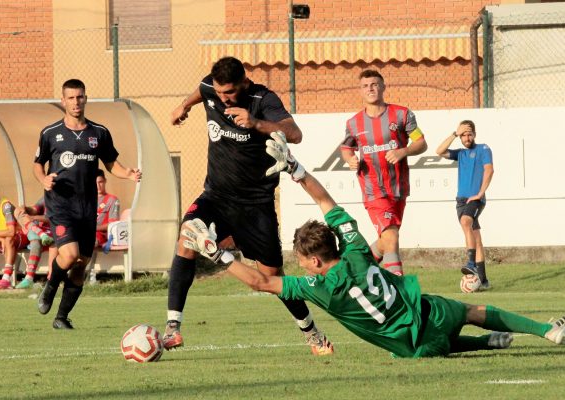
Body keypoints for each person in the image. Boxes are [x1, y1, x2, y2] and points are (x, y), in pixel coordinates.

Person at [181, 132, 565, 358]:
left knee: (435, 341)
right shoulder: (355, 249)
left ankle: (483, 344)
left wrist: (217, 253)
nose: (299, 267)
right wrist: (295, 169)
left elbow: (260, 282)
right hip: (430, 317)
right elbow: (326, 202)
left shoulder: (318, 290)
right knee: (469, 309)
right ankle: (544, 331)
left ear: (315, 261)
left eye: (300, 261)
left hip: (413, 349)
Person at [166, 56, 333, 355]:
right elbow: (201, 90)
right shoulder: (210, 88)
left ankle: (311, 333)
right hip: (215, 196)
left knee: (272, 278)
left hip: (256, 205)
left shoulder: (262, 98)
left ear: (243, 82)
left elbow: (295, 133)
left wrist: (256, 123)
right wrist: (184, 106)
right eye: (219, 92)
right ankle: (173, 328)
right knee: (186, 237)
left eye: (229, 92)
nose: (223, 97)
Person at [33, 78, 141, 329]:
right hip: (60, 204)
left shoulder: (99, 133)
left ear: (85, 98)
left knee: (81, 264)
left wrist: (129, 174)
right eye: (70, 97)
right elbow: (38, 163)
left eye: (79, 96)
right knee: (68, 255)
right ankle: (49, 287)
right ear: (63, 101)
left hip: (87, 207)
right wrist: (44, 179)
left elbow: (112, 163)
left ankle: (61, 317)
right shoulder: (51, 133)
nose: (76, 102)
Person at [340, 70, 428, 276]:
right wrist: (350, 160)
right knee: (391, 237)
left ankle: (354, 269)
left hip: (398, 189)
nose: (370, 88)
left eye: (374, 84)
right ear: (360, 91)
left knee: (385, 241)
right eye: (365, 86)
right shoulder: (354, 123)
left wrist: (403, 151)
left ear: (383, 87)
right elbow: (346, 148)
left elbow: (421, 142)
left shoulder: (401, 114)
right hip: (373, 190)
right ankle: (398, 287)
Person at [436, 120, 493, 290]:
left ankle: (471, 263)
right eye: (463, 135)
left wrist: (480, 193)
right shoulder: (460, 153)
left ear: (474, 134)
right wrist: (454, 133)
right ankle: (483, 281)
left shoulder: (483, 149)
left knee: (466, 222)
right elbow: (439, 151)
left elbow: (489, 170)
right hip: (461, 200)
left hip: (475, 199)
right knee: (476, 237)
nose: (467, 137)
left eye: (469, 134)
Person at [13, 196, 55, 289]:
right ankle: (29, 278)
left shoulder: (65, 198)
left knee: (48, 242)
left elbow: (54, 218)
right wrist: (25, 208)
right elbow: (35, 209)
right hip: (42, 232)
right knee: (18, 211)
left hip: (56, 231)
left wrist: (32, 217)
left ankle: (51, 279)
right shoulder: (47, 196)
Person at [95, 168, 120, 248]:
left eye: (100, 182)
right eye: (95, 183)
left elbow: (113, 224)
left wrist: (93, 228)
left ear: (105, 181)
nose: (98, 186)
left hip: (101, 235)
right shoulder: (86, 199)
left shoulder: (112, 200)